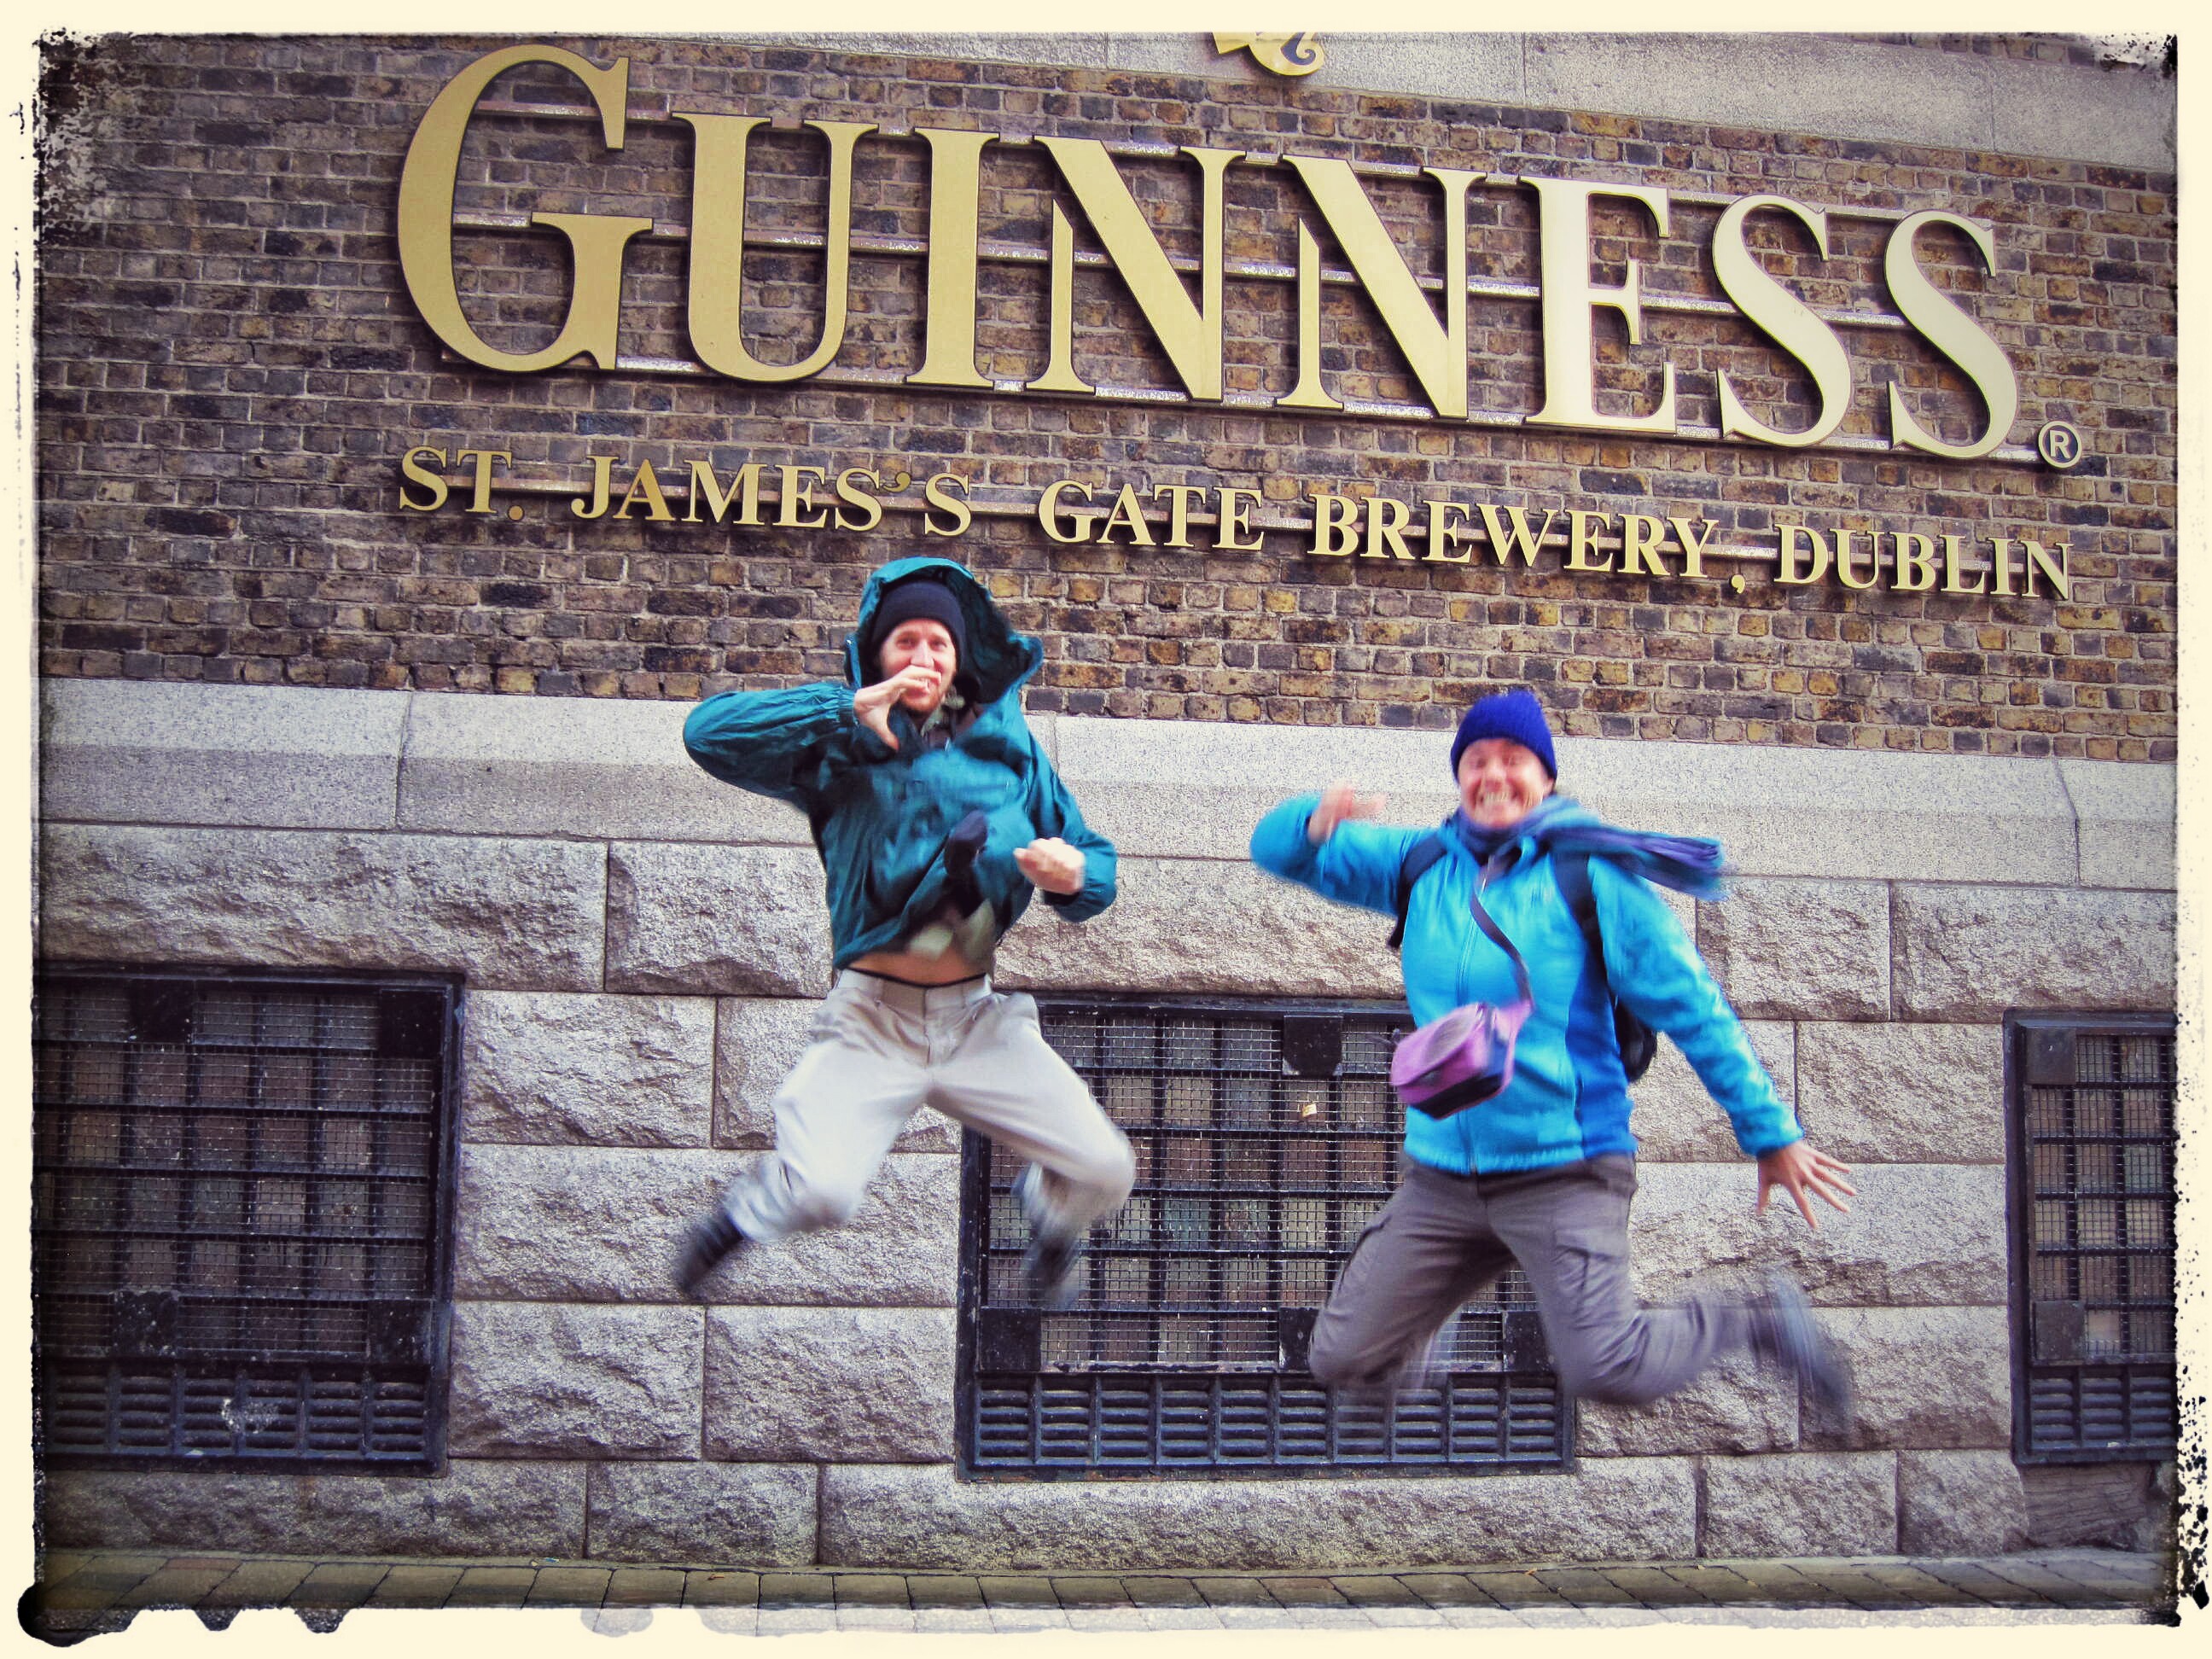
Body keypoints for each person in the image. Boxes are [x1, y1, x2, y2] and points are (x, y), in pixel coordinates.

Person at [1249, 687, 1855, 1409]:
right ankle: (1420, 1329)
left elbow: (1695, 1008)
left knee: (1608, 1369)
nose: (1493, 775)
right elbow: (1272, 850)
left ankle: (1755, 1321)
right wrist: (1313, 822)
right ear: (1459, 774)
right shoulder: (1420, 863)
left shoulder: (1590, 876)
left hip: (1563, 1170)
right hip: (1445, 1177)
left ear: (1546, 776)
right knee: (1342, 1357)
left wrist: (1770, 1133)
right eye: (1477, 760)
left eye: (1513, 759)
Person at [673, 556, 1135, 1306]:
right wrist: (843, 710)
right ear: (878, 653)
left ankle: (1051, 1220)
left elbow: (1096, 865)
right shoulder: (842, 750)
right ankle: (743, 1215)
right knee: (821, 1191)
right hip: (872, 1021)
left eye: (938, 644)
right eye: (906, 642)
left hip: (975, 1022)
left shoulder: (1013, 754)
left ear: (960, 658)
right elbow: (707, 735)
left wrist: (1074, 874)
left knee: (1105, 1168)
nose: (924, 657)